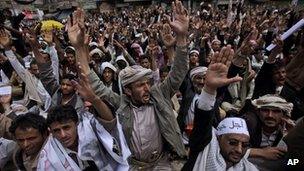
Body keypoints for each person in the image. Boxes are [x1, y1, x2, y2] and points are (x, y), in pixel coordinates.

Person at [68, 2, 189, 169]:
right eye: (140, 85)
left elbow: (179, 72)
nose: (147, 88)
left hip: (163, 163)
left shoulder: (160, 95)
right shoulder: (120, 105)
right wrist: (79, 48)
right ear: (127, 90)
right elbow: (95, 84)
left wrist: (182, 37)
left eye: (147, 83)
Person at [182, 45, 258, 171]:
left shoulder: (249, 168)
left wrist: (239, 59)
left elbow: (224, 80)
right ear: (218, 138)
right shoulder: (203, 149)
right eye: (232, 143)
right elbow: (203, 121)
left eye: (244, 145)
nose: (239, 150)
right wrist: (209, 89)